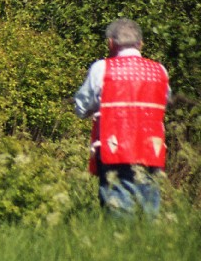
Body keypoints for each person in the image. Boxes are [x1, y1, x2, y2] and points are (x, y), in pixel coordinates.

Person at [73, 18, 171, 216]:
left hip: (114, 149)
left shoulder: (102, 69)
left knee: (119, 213)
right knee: (150, 213)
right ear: (141, 43)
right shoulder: (160, 71)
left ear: (111, 43)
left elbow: (81, 107)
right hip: (151, 150)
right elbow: (164, 102)